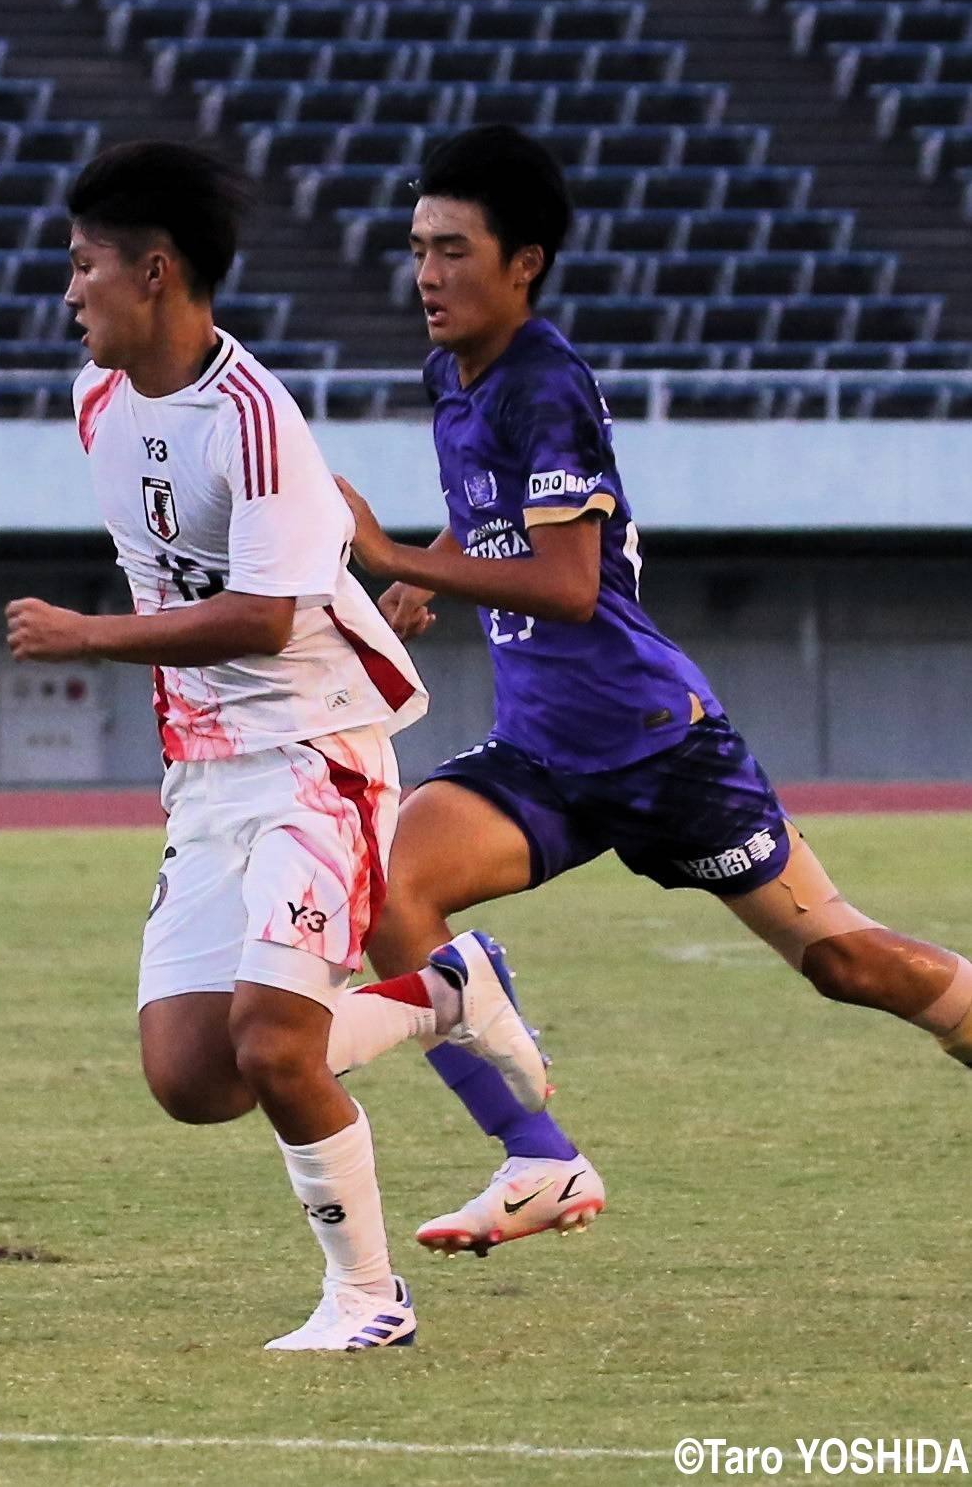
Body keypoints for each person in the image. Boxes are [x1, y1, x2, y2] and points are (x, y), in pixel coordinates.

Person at [326, 123, 972, 1257]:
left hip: (655, 749)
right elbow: (495, 511)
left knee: (841, 963)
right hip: (542, 756)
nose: (424, 275)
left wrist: (392, 558)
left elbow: (569, 585)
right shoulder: (453, 374)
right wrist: (430, 575)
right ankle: (538, 1157)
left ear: (521, 263)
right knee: (385, 893)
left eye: (452, 251)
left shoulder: (545, 382)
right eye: (417, 248)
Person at [3, 140, 550, 1350]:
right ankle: (446, 992)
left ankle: (366, 1299)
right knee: (191, 1075)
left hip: (317, 753)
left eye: (82, 265)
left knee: (271, 1039)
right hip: (203, 771)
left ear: (153, 273)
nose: (66, 290)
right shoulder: (98, 397)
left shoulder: (253, 421)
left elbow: (259, 614)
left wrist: (89, 635)